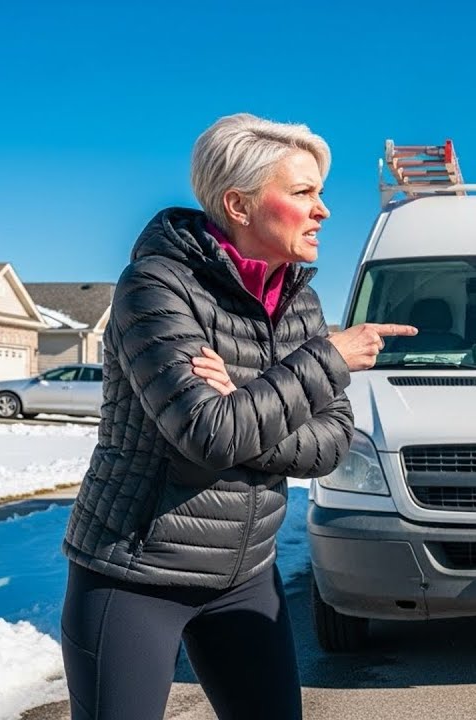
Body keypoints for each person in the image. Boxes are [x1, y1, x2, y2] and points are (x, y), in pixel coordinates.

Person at [59, 113, 416, 719]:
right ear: (239, 205)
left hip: (245, 574)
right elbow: (208, 434)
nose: (323, 210)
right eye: (303, 192)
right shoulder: (154, 287)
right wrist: (325, 361)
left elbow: (332, 442)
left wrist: (243, 401)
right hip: (136, 573)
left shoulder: (299, 300)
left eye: (320, 192)